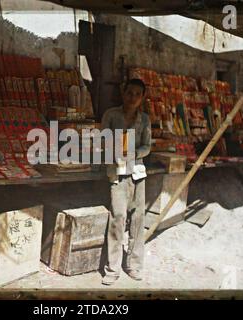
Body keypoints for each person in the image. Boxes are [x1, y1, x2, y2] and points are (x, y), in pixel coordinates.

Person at [101, 78, 152, 285]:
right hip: (117, 173)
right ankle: (112, 269)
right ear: (123, 93)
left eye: (137, 94)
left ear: (142, 98)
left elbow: (147, 146)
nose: (132, 97)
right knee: (118, 217)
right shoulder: (111, 115)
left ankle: (134, 265)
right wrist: (115, 152)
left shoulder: (145, 119)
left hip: (137, 172)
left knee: (138, 218)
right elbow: (102, 140)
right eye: (129, 93)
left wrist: (133, 153)